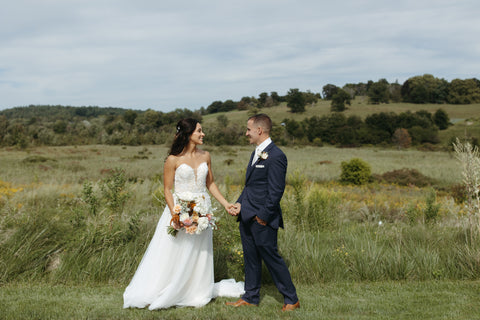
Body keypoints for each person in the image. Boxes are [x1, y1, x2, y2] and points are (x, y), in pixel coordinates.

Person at [123, 118, 244, 310]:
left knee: (199, 251)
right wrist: (176, 215)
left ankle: (196, 290)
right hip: (180, 210)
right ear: (188, 135)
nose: (203, 134)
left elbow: (210, 183)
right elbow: (167, 190)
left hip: (203, 210)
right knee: (176, 252)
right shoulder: (173, 159)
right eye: (199, 131)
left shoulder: (206, 156)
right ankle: (171, 288)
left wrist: (226, 204)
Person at [226, 114, 300, 312]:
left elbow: (276, 191)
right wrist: (240, 204)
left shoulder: (276, 156)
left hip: (262, 219)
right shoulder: (256, 153)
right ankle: (250, 297)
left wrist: (263, 217)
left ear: (259, 130)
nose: (246, 133)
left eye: (248, 129)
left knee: (271, 257)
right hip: (247, 215)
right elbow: (251, 186)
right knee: (250, 258)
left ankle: (291, 299)